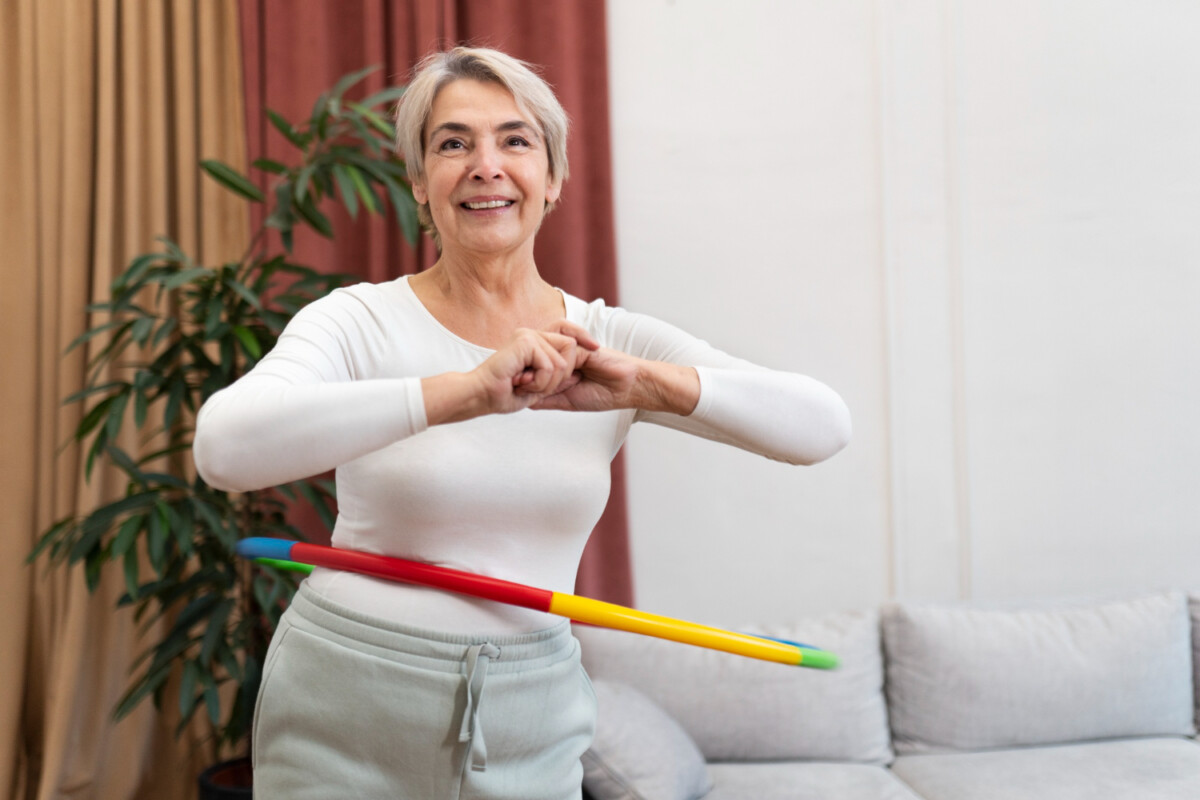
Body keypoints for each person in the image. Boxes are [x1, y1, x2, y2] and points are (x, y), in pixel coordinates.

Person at [193, 46, 851, 800]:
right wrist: (464, 393)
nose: (485, 164)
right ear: (418, 183)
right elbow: (225, 447)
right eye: (452, 143)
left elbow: (820, 427)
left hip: (529, 711)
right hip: (348, 697)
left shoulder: (611, 341)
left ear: (554, 178)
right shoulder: (356, 321)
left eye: (515, 139)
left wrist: (645, 382)